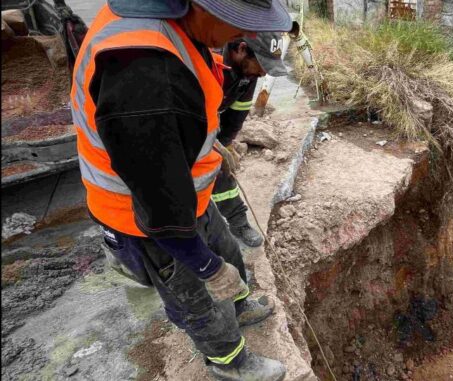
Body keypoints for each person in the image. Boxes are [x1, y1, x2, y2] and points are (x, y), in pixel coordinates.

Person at [70, 0, 291, 379]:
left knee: (226, 251)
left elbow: (176, 129)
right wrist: (204, 265)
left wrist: (208, 143)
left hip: (185, 192)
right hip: (142, 214)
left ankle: (239, 306)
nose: (250, 35)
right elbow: (160, 210)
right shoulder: (144, 72)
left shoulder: (177, 24)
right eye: (242, 24)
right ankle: (229, 362)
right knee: (196, 293)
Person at [212, 31, 287, 247]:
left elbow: (238, 111)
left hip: (207, 120)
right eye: (262, 64)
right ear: (241, 50)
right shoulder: (207, 63)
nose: (264, 74)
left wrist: (225, 142)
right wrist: (210, 144)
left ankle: (238, 222)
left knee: (221, 169)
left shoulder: (248, 73)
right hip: (175, 125)